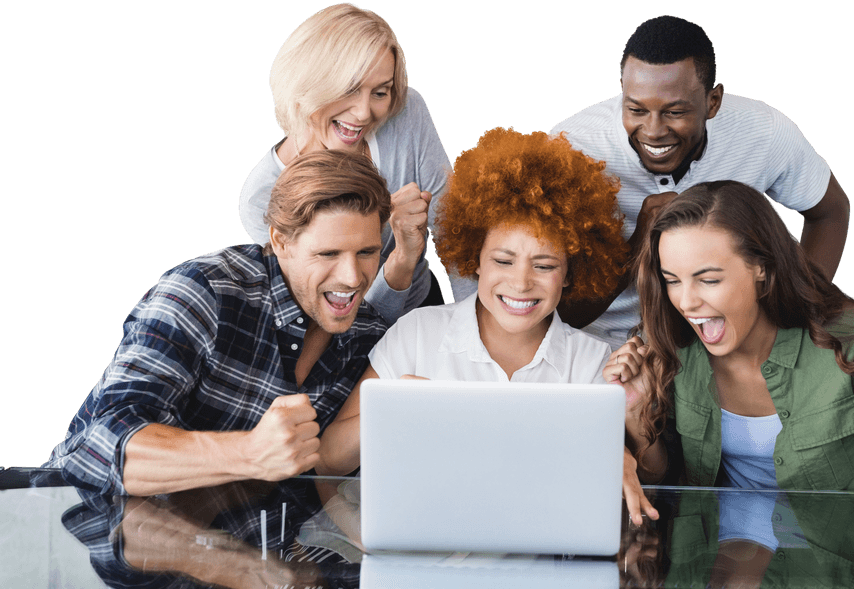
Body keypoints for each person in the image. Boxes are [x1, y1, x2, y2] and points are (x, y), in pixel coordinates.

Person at [611, 180, 854, 523]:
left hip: (830, 563)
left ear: (762, 270)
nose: (686, 302)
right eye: (672, 280)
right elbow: (663, 488)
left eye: (709, 280)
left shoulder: (840, 340)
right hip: (714, 561)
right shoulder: (672, 344)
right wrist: (636, 412)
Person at [46, 149, 392, 496]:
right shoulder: (204, 292)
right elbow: (99, 448)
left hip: (236, 544)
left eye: (367, 252)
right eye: (328, 253)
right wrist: (249, 452)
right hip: (72, 524)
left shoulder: (369, 336)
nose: (352, 278)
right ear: (280, 241)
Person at [315, 128, 628, 475]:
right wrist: (393, 406)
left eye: (544, 266)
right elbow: (330, 459)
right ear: (475, 260)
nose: (521, 283)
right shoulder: (417, 335)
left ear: (570, 273)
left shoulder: (592, 363)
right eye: (503, 261)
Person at [533, 15, 851, 347]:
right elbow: (553, 311)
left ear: (712, 102)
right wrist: (639, 244)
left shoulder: (763, 131)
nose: (654, 131)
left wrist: (794, 313)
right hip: (601, 347)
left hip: (721, 343)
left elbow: (830, 212)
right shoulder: (572, 146)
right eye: (636, 110)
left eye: (675, 112)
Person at [238, 4, 451, 324]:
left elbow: (455, 233)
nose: (365, 112)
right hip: (347, 339)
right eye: (348, 89)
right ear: (308, 83)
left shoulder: (405, 114)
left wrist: (482, 336)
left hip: (424, 309)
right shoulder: (263, 197)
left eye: (380, 92)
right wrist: (401, 263)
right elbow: (329, 318)